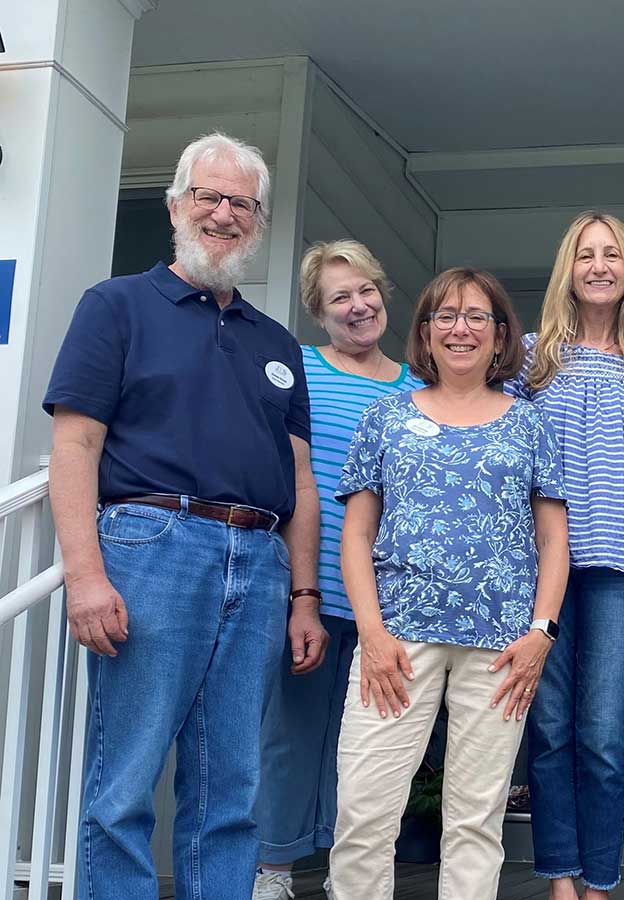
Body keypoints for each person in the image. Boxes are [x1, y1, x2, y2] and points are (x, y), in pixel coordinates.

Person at [43, 132, 328, 900]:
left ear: (259, 223)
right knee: (127, 782)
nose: (224, 213)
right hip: (149, 548)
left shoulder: (278, 345)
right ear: (177, 206)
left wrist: (305, 595)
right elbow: (74, 445)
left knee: (231, 790)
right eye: (209, 196)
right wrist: (85, 575)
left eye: (241, 203)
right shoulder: (116, 305)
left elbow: (299, 477)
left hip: (260, 564)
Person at [328, 267, 570, 900]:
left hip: (501, 648)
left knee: (475, 822)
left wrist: (542, 632)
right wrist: (371, 634)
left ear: (498, 337)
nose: (460, 329)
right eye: (445, 316)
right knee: (363, 813)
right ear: (426, 333)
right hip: (395, 645)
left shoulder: (529, 424)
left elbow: (553, 542)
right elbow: (354, 537)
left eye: (476, 318)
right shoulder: (383, 419)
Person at [507, 211, 624, 899]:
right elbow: (506, 451)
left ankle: (602, 882)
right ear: (568, 270)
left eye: (612, 254)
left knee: (603, 735)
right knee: (549, 728)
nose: (599, 266)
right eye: (586, 255)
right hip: (539, 569)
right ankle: (559, 878)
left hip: (620, 566)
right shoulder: (532, 355)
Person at [253, 240, 423, 900]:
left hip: (390, 600)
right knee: (291, 734)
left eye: (366, 291)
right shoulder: (296, 369)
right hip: (310, 581)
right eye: (339, 298)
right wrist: (301, 591)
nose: (358, 307)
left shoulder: (418, 388)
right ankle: (273, 869)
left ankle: (347, 874)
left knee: (371, 744)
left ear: (384, 293)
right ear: (318, 314)